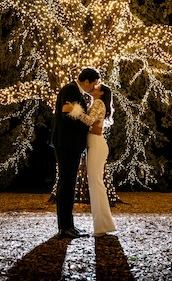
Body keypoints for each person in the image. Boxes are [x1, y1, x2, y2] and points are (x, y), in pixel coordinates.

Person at [50, 67, 100, 239]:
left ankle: (69, 225)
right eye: (93, 84)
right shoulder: (70, 90)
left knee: (69, 183)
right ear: (86, 81)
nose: (94, 88)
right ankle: (64, 227)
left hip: (70, 144)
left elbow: (74, 112)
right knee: (66, 183)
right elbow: (68, 116)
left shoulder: (76, 93)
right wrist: (88, 125)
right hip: (66, 143)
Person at [63, 83, 117, 237]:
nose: (93, 88)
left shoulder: (98, 103)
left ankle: (101, 227)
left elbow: (90, 121)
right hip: (95, 144)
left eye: (96, 87)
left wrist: (74, 110)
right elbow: (92, 124)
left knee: (96, 185)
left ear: (101, 93)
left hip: (96, 144)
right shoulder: (96, 103)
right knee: (96, 185)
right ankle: (103, 225)